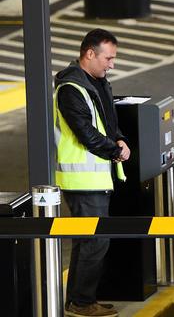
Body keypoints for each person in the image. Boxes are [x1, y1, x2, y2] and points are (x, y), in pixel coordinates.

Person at [54, 29, 130, 317]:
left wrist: (119, 137)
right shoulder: (72, 89)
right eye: (108, 58)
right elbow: (85, 132)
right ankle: (81, 303)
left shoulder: (96, 81)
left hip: (96, 176)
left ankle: (79, 299)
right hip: (82, 179)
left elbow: (106, 120)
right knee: (95, 241)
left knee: (88, 241)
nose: (111, 64)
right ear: (89, 53)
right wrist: (114, 150)